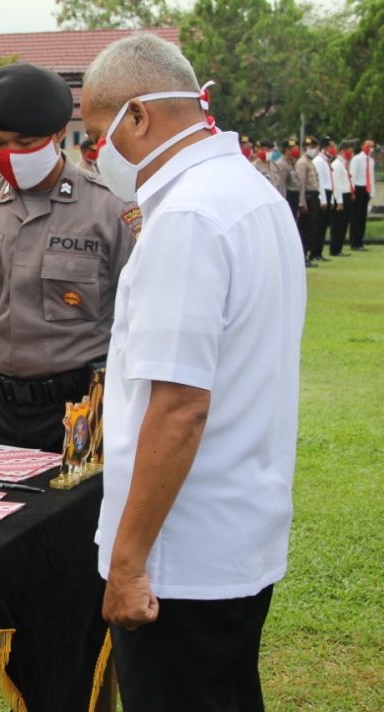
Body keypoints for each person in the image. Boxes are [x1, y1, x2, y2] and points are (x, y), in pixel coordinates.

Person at [81, 33, 306, 711]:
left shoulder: (187, 218)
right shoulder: (249, 194)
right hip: (237, 533)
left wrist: (127, 563)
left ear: (139, 116)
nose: (97, 155)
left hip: (179, 561)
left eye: (97, 135)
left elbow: (180, 406)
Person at [0, 62, 139, 456]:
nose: (10, 154)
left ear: (59, 133)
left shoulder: (110, 210)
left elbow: (135, 326)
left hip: (80, 411)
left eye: (25, 143)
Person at [296, 135, 323, 265]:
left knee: (312, 228)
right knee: (305, 229)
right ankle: (303, 256)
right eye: (309, 147)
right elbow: (301, 184)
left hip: (313, 196)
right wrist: (302, 203)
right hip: (307, 197)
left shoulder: (309, 162)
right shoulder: (302, 163)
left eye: (313, 147)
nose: (312, 149)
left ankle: (306, 255)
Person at [348, 138, 376, 251]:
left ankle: (360, 241)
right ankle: (354, 242)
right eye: (368, 145)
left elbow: (371, 176)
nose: (370, 148)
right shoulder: (357, 159)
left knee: (362, 217)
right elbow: (352, 175)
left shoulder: (371, 161)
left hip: (366, 189)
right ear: (363, 146)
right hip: (358, 188)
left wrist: (371, 191)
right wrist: (352, 191)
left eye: (372, 146)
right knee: (356, 217)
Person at [330, 139, 355, 257]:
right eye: (349, 150)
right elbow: (337, 184)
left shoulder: (343, 164)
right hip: (341, 196)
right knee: (338, 224)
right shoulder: (337, 165)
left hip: (347, 195)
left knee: (344, 224)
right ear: (343, 151)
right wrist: (339, 201)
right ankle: (335, 248)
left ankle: (338, 248)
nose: (351, 153)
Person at [312, 136, 336, 259]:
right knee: (319, 226)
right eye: (331, 147)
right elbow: (320, 181)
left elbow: (329, 182)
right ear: (325, 148)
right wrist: (324, 199)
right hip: (322, 194)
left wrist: (331, 199)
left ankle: (319, 252)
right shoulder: (319, 161)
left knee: (323, 226)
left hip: (328, 193)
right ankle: (314, 252)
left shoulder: (326, 161)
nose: (333, 149)